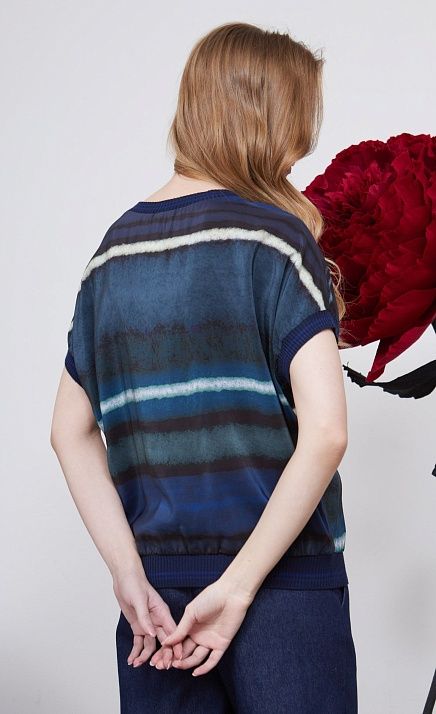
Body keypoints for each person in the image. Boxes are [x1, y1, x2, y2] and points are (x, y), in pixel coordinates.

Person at [50, 20, 358, 714]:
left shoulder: (112, 254)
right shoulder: (275, 242)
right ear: (265, 115)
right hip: (282, 588)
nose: (303, 147)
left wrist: (127, 575)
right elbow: (327, 432)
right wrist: (239, 587)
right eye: (299, 122)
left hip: (156, 603)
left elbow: (67, 431)